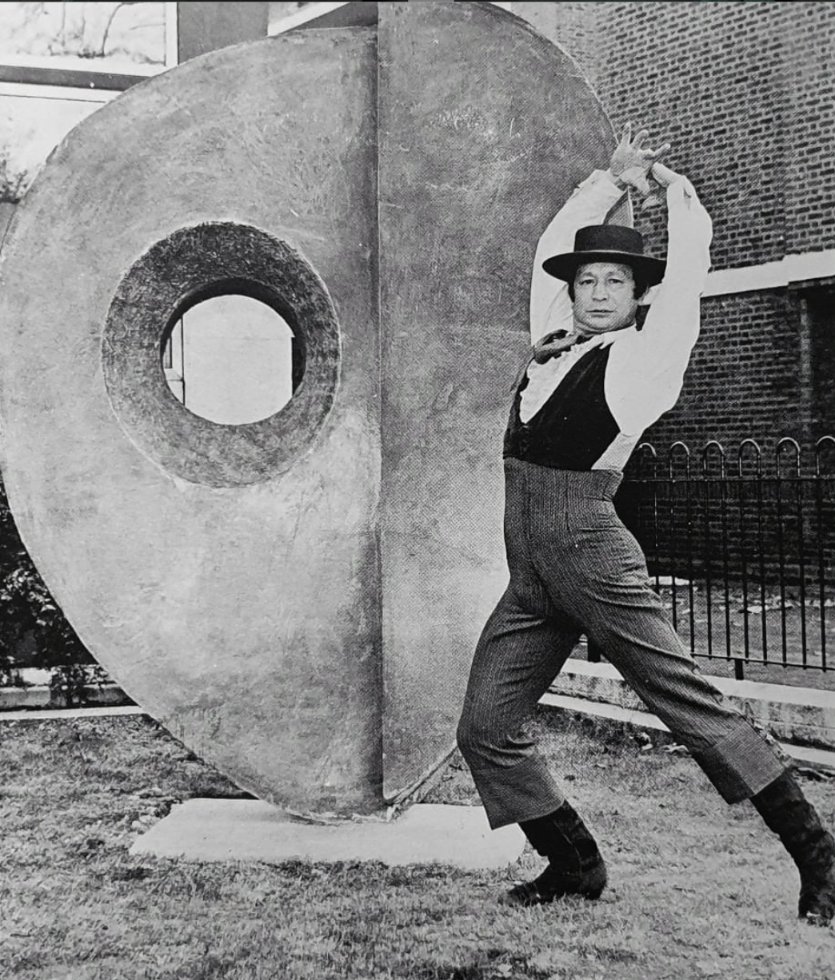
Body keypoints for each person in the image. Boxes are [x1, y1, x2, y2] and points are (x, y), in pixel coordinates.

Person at [456, 124, 835, 925]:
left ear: (636, 297)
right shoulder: (550, 343)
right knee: (486, 724)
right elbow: (547, 256)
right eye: (587, 280)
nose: (596, 293)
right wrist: (610, 182)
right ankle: (573, 865)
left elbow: (688, 274)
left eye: (613, 284)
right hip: (530, 574)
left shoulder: (640, 362)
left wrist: (670, 193)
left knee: (689, 706)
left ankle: (820, 860)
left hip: (591, 558)